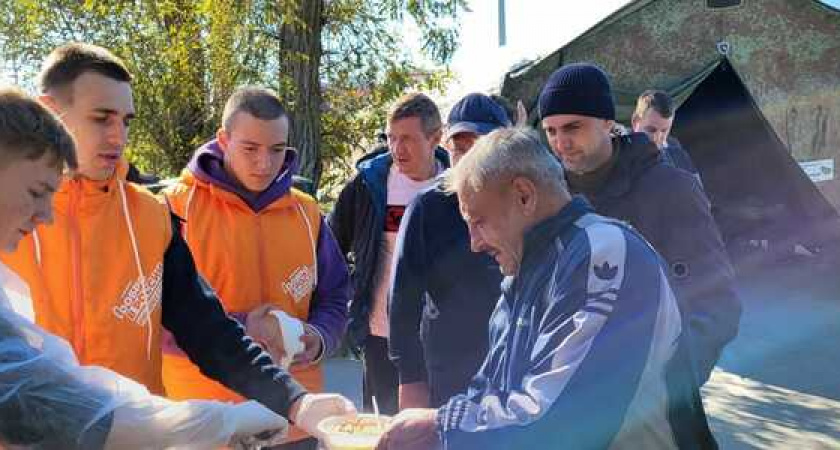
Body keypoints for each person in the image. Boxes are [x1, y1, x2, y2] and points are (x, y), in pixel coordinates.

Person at [0, 42, 353, 432]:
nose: (118, 137)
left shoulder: (151, 217)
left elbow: (208, 330)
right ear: (50, 111)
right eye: (102, 119)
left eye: (126, 121)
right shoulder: (11, 216)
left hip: (139, 437)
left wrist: (296, 401)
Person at [375, 128, 716, 450]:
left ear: (524, 196)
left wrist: (440, 426)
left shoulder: (601, 252)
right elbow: (490, 391)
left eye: (478, 221)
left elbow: (558, 416)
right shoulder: (522, 277)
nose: (474, 244)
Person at [161, 86, 351, 449]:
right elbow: (156, 317)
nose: (264, 163)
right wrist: (247, 328)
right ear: (223, 140)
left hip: (296, 423)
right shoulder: (174, 208)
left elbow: (336, 294)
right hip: (209, 422)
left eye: (277, 150)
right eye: (250, 148)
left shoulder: (306, 212)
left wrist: (318, 337)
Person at [538, 63, 741, 383]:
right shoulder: (551, 199)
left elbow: (718, 304)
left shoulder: (671, 189)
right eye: (551, 131)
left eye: (573, 127)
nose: (561, 142)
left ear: (607, 123)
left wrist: (667, 384)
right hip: (567, 395)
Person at [328, 93, 449, 415]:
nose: (397, 149)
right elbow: (330, 246)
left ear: (435, 138)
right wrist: (348, 297)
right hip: (381, 333)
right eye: (392, 138)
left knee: (437, 423)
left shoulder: (457, 186)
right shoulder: (369, 185)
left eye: (407, 139)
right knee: (388, 423)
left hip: (441, 336)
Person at [388, 93, 508, 410]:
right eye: (460, 149)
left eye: (478, 148)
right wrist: (410, 380)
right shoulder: (427, 207)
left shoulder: (523, 201)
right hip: (448, 372)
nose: (468, 160)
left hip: (514, 368)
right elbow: (402, 302)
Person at [631, 90, 700, 181]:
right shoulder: (617, 153)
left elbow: (696, 188)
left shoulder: (677, 155)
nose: (657, 139)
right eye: (651, 130)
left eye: (664, 131)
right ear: (635, 121)